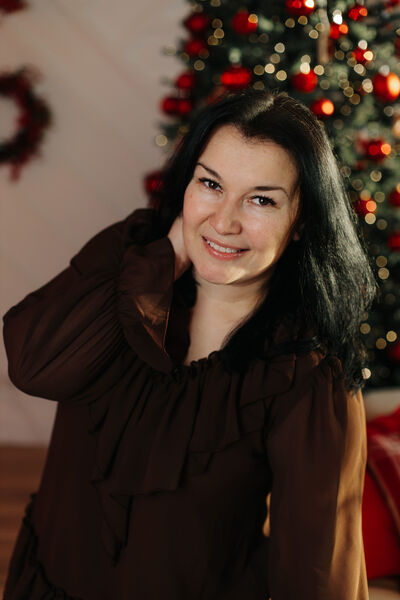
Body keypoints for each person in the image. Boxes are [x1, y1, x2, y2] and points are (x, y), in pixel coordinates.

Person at [2, 88, 377, 600]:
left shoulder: (305, 376)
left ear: (301, 221)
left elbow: (317, 577)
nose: (224, 221)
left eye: (262, 199)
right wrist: (171, 253)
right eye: (210, 184)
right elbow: (32, 366)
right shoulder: (129, 258)